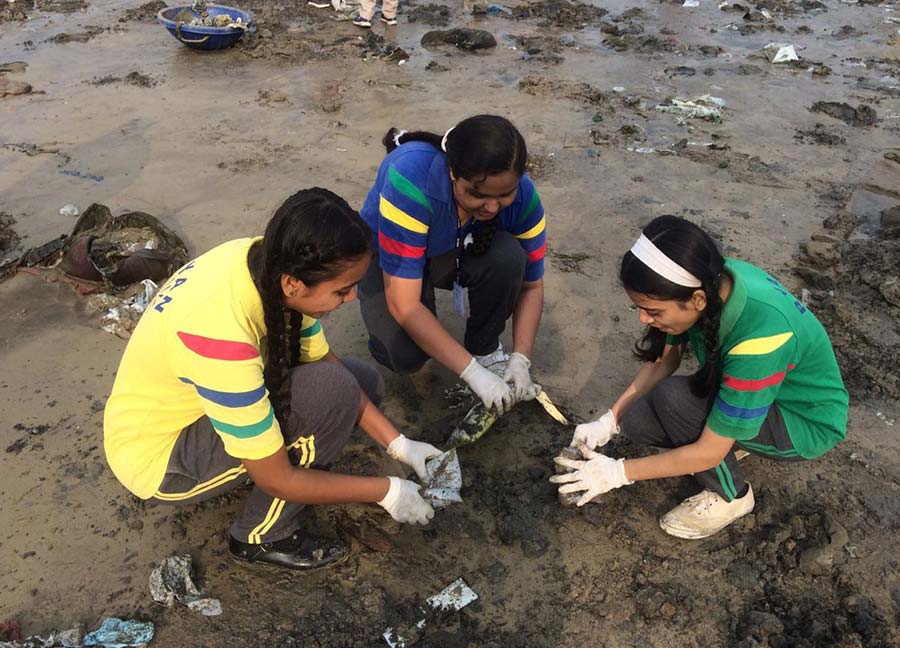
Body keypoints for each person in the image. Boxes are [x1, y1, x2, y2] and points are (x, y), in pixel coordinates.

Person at [104, 188, 442, 571]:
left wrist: (400, 445)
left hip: (189, 408)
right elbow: (278, 478)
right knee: (332, 396)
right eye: (342, 290)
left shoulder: (268, 259)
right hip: (162, 458)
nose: (350, 300)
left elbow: (328, 363)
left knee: (361, 383)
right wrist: (387, 491)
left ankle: (271, 457)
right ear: (293, 285)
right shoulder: (220, 336)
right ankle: (262, 535)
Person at [551, 216, 849, 539]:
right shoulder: (707, 279)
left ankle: (731, 496)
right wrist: (609, 420)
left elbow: (708, 451)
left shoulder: (759, 341)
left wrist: (617, 473)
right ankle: (737, 432)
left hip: (803, 421)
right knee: (636, 420)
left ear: (696, 300)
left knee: (673, 401)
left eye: (652, 311)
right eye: (639, 307)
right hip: (763, 390)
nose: (642, 318)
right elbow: (665, 361)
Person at [357, 114, 547, 413]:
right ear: (452, 173)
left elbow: (532, 285)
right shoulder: (409, 179)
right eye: (478, 195)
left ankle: (485, 348)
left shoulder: (524, 197)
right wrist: (472, 374)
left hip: (456, 248)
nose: (492, 206)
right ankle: (403, 325)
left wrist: (521, 358)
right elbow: (403, 305)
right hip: (388, 256)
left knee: (508, 256)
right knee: (405, 356)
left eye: (504, 194)